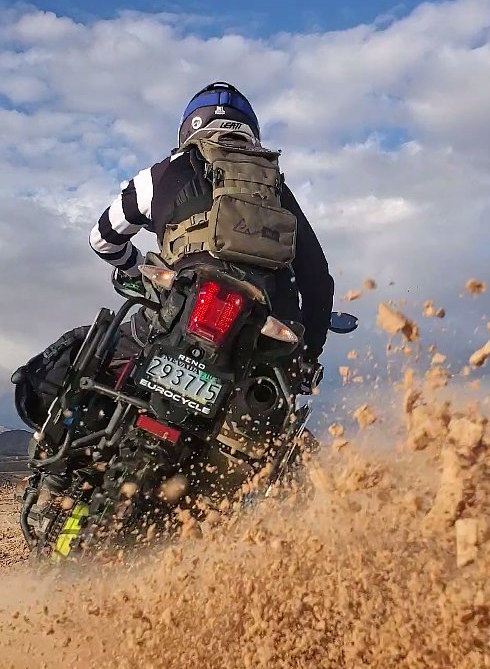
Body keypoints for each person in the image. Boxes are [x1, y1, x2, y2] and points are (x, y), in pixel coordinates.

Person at [13, 82, 334, 430]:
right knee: (280, 425)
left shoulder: (161, 173)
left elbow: (103, 238)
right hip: (259, 332)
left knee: (83, 356)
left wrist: (137, 271)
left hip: (179, 309)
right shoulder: (277, 189)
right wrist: (308, 356)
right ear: (251, 131)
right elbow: (318, 282)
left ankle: (63, 457)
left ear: (188, 129)